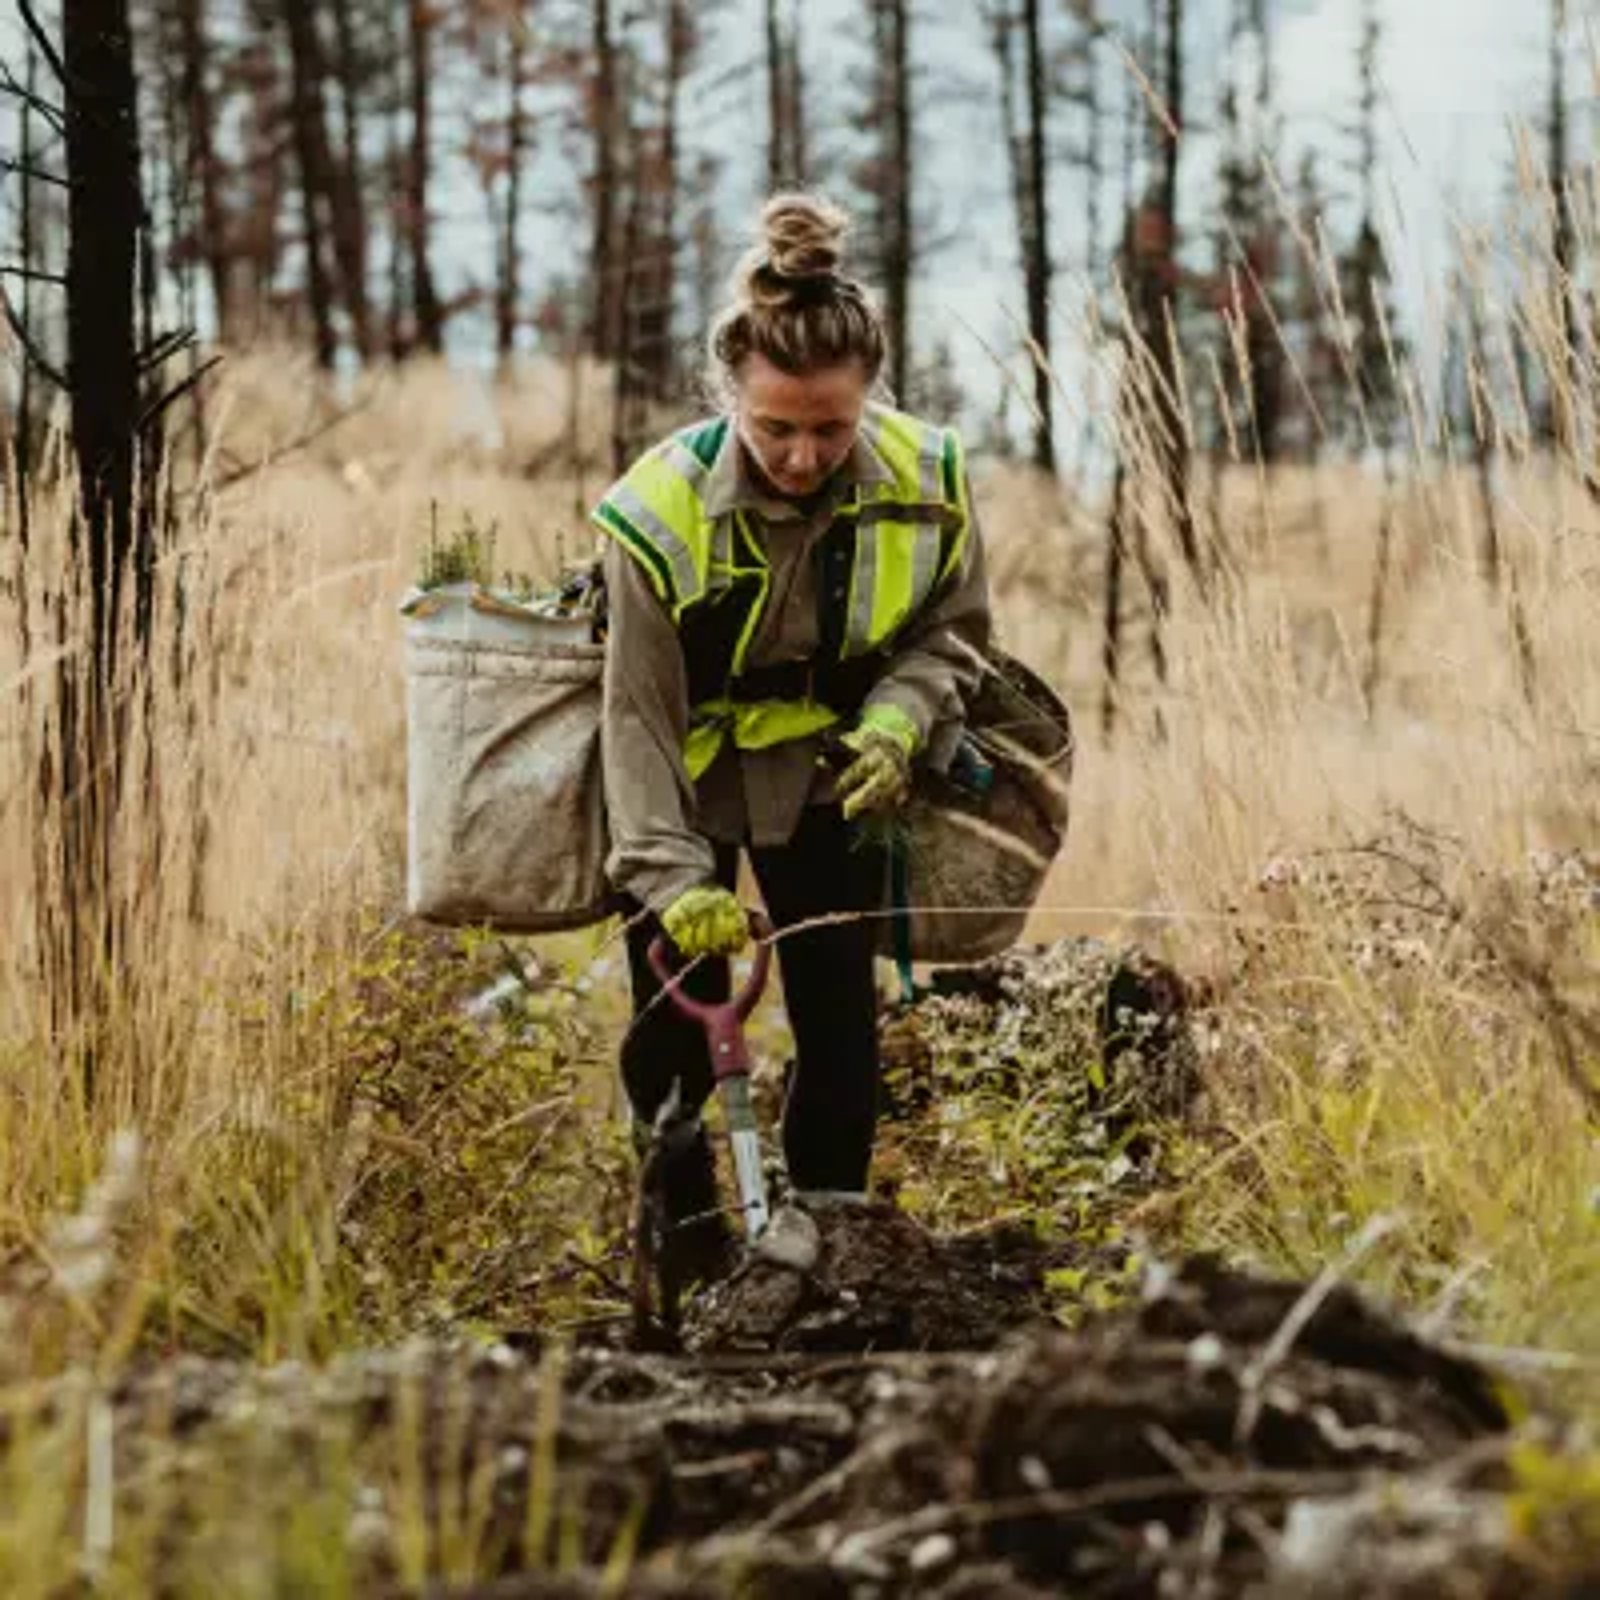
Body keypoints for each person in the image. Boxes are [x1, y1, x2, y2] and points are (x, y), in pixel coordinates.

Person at [591, 192, 992, 1285]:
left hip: (831, 775)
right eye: (775, 428)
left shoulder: (928, 482)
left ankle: (832, 1263)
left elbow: (952, 637)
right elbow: (635, 717)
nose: (805, 454)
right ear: (729, 396)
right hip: (682, 781)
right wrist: (673, 880)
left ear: (870, 396)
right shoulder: (656, 511)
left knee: (839, 1026)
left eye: (831, 427)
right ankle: (679, 1270)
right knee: (669, 1036)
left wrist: (901, 720)